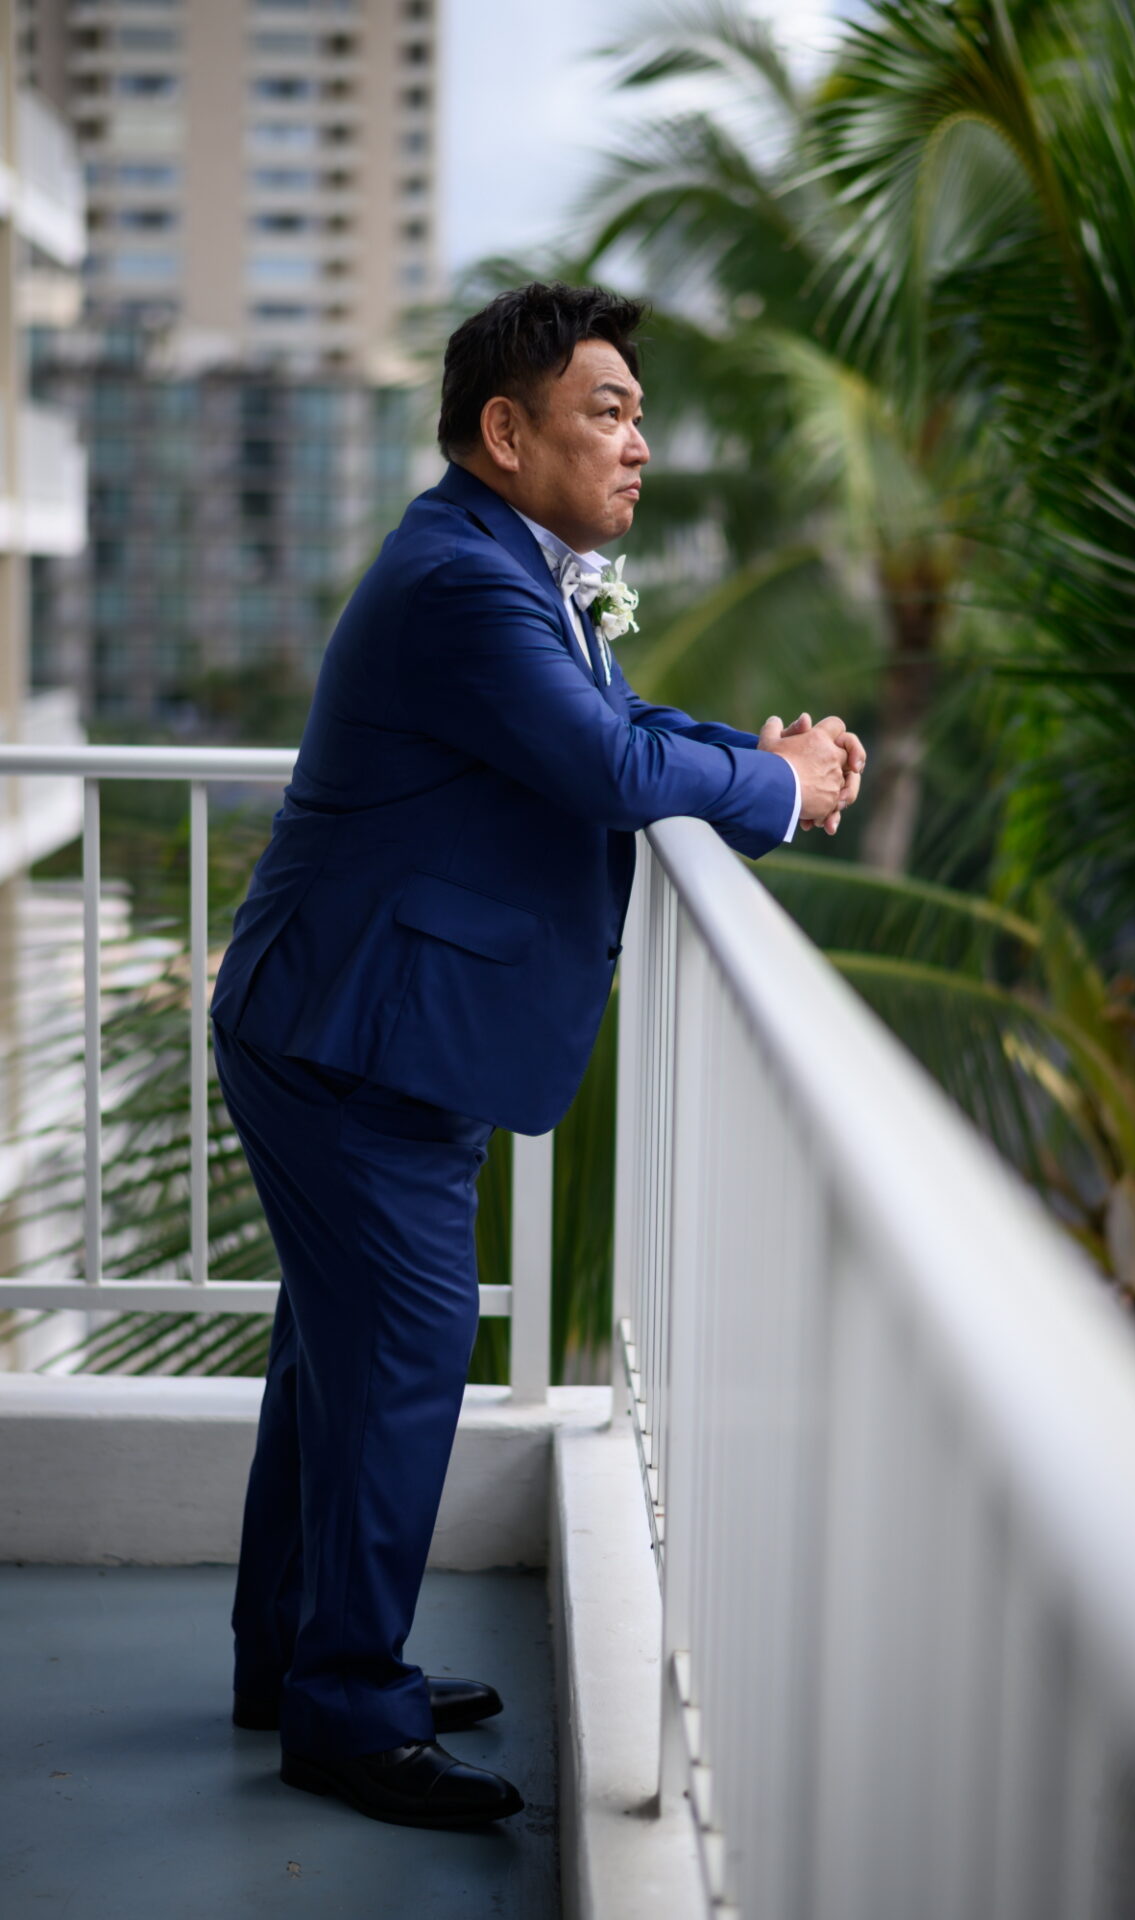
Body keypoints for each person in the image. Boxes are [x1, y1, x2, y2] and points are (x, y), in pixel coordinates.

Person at [209, 282, 865, 1832]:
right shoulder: (461, 578)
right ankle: (344, 1710)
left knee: (335, 1359)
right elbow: (603, 765)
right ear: (506, 433)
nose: (639, 446)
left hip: (365, 1024)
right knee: (403, 1352)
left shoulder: (504, 562)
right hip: (349, 1036)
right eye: (607, 413)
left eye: (638, 416)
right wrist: (776, 788)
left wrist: (757, 762)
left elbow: (620, 719)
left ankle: (294, 1660)